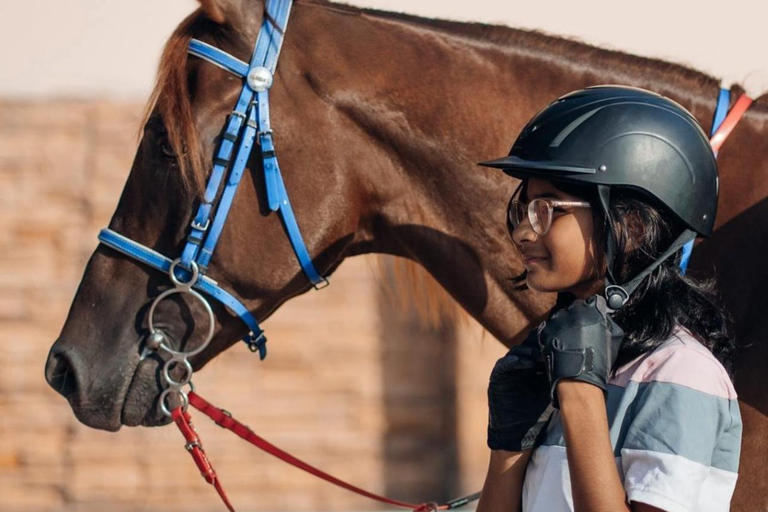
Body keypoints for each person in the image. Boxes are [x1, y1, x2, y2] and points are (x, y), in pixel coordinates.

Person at [474, 86, 742, 512]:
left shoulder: (681, 373)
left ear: (631, 223)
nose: (524, 232)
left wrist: (581, 395)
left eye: (545, 210)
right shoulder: (554, 361)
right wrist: (507, 451)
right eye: (522, 211)